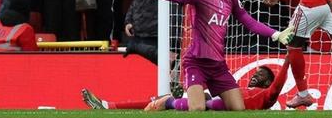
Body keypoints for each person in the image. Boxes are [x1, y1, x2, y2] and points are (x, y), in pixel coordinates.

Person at [115, 0, 294, 111]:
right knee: (198, 108)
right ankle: (167, 102)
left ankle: (172, 101)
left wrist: (276, 35)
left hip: (218, 65)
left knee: (238, 109)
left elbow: (249, 22)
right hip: (196, 62)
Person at [81, 58, 289, 111]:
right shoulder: (239, 88)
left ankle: (175, 100)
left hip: (216, 105)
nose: (255, 76)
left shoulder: (266, 97)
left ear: (269, 83)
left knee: (175, 101)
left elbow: (277, 87)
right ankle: (109, 105)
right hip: (214, 99)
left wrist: (288, 59)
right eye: (256, 73)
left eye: (261, 76)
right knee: (164, 98)